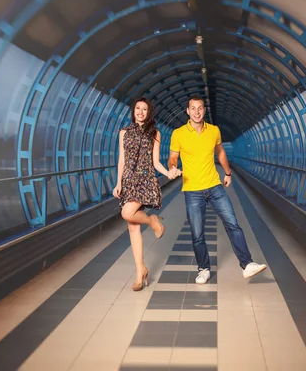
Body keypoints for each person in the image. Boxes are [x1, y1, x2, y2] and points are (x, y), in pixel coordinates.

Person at [168, 95, 267, 284]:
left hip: (214, 186)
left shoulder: (213, 130)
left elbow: (220, 151)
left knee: (233, 224)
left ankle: (247, 264)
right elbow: (173, 157)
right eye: (193, 108)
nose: (197, 112)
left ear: (204, 110)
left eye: (200, 108)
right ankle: (203, 269)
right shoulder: (178, 133)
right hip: (192, 190)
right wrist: (173, 167)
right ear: (187, 111)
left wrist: (228, 173)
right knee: (197, 234)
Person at [113, 98, 181, 292]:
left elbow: (155, 161)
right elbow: (122, 160)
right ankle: (140, 272)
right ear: (133, 111)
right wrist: (118, 183)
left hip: (145, 180)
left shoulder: (155, 133)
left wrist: (168, 173)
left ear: (149, 112)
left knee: (127, 213)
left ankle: (152, 221)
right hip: (128, 181)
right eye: (137, 108)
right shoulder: (123, 133)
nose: (140, 112)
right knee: (133, 227)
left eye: (144, 109)